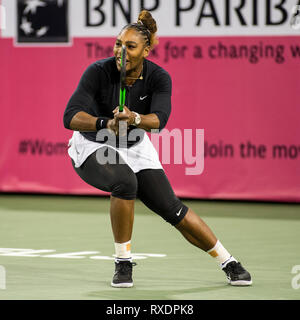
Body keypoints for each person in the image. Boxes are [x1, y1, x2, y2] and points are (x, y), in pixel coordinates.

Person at [63, 10, 252, 288]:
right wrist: (105, 122)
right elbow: (70, 116)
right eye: (118, 44)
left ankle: (228, 261)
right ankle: (123, 263)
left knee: (171, 207)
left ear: (146, 50)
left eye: (130, 46)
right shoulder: (98, 71)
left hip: (136, 146)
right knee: (124, 182)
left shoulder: (159, 77)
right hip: (93, 145)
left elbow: (160, 120)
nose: (121, 51)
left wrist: (135, 118)